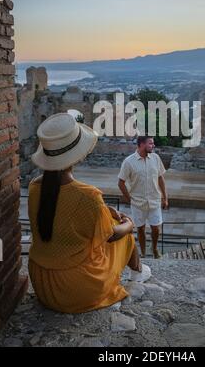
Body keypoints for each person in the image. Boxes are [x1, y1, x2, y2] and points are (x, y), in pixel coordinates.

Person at [28, 113, 151, 314]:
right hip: (77, 288)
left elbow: (62, 212)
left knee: (106, 221)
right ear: (78, 155)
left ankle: (137, 270)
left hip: (43, 283)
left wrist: (104, 209)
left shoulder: (34, 187)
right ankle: (137, 272)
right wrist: (129, 224)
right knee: (126, 238)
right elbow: (112, 235)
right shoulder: (87, 195)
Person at [118, 136, 168, 259]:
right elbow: (121, 182)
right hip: (137, 202)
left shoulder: (156, 158)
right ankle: (143, 252)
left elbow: (160, 178)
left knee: (156, 228)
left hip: (154, 200)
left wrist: (165, 197)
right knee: (140, 229)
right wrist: (129, 198)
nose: (153, 145)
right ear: (141, 144)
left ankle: (155, 248)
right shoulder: (129, 162)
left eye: (153, 143)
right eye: (150, 143)